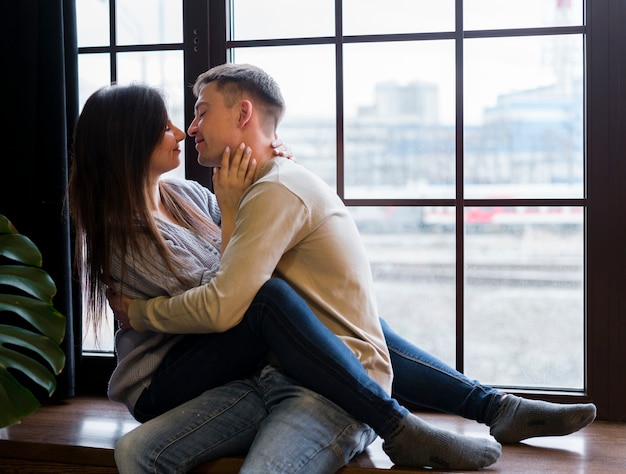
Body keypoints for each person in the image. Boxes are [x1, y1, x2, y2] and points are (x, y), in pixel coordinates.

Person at [107, 65, 596, 466]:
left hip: (294, 371)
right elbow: (230, 295)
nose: (186, 129)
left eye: (197, 113)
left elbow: (228, 293)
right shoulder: (154, 219)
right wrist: (241, 203)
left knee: (333, 318)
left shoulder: (222, 192)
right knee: (284, 304)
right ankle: (455, 413)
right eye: (172, 121)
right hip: (210, 371)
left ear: (244, 114)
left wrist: (148, 306)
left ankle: (477, 409)